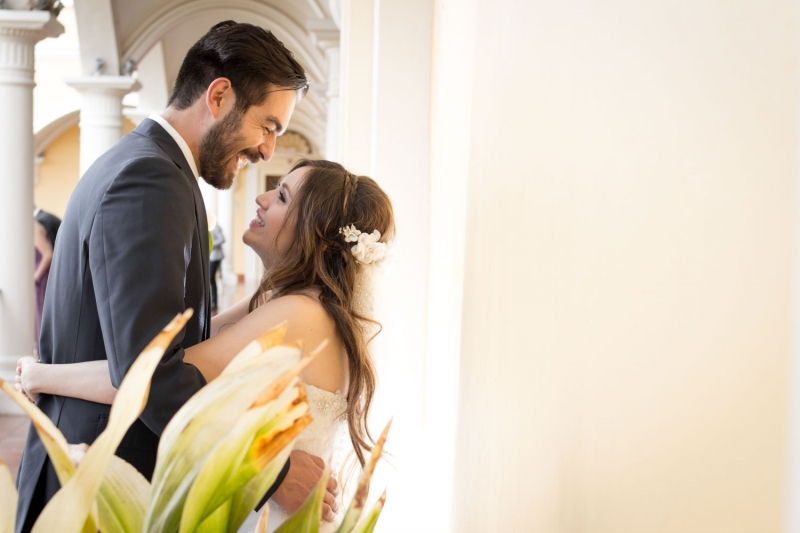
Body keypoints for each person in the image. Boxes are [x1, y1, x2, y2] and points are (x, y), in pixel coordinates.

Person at [13, 21, 333, 533]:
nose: (268, 150)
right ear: (220, 96)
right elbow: (150, 373)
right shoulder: (150, 180)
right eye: (268, 126)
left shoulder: (156, 170)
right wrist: (268, 471)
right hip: (104, 485)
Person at [17, 160, 395, 532]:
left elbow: (150, 377)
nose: (261, 198)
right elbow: (161, 360)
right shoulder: (284, 302)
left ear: (315, 230)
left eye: (281, 196)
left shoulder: (300, 314)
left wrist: (42, 376)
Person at [32, 207, 60, 351]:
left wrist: (34, 278)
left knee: (42, 316)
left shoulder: (35, 226)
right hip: (43, 278)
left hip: (42, 280)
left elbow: (48, 254)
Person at [209, 218, 225, 311]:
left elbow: (222, 239)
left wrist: (211, 244)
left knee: (211, 278)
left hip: (216, 257)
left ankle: (214, 302)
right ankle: (213, 302)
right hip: (211, 257)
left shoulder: (215, 226)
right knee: (211, 279)